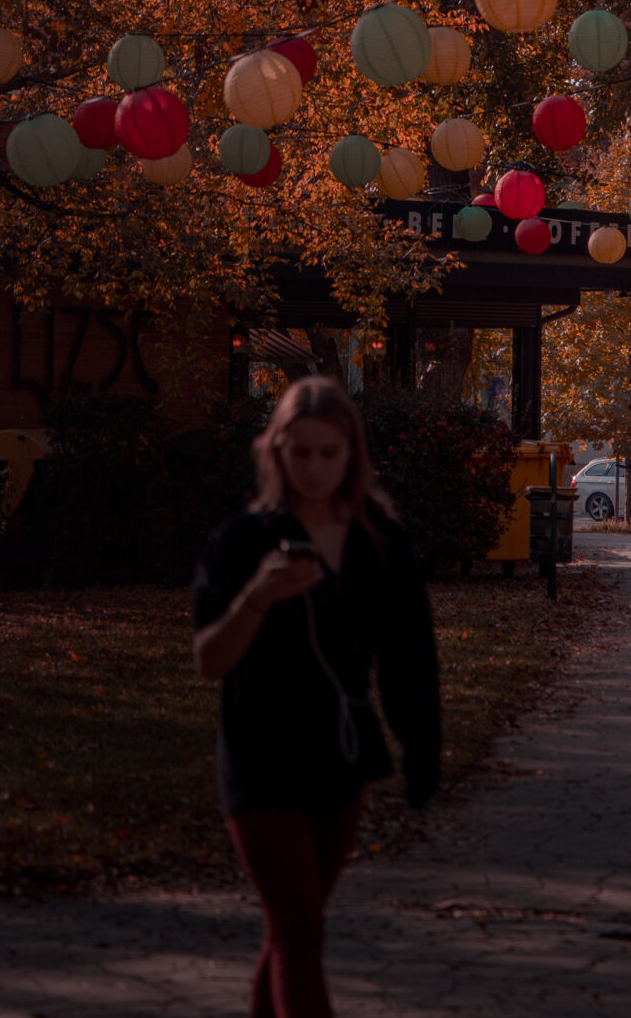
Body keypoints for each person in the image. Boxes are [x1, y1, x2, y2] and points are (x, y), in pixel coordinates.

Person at [192, 375, 441, 1018]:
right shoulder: (242, 541)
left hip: (338, 756)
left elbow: (409, 654)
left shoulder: (378, 543)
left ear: (351, 454)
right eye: (299, 451)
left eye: (327, 452)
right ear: (276, 452)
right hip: (259, 756)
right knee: (299, 928)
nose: (313, 467)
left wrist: (420, 746)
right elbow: (208, 659)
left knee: (290, 930)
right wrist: (257, 597)